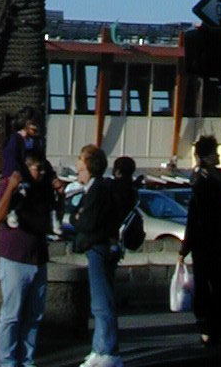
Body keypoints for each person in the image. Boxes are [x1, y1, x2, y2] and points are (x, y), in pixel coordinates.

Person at [0, 147, 53, 367]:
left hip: (38, 258)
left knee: (34, 316)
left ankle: (27, 360)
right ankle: (7, 361)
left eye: (43, 169)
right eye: (38, 169)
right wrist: (10, 189)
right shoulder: (7, 187)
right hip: (14, 260)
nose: (41, 173)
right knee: (11, 315)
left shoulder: (42, 190)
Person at [179, 134, 221, 347]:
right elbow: (195, 215)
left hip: (219, 241)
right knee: (210, 287)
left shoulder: (217, 177)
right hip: (208, 241)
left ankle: (219, 329)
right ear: (204, 157)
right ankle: (210, 329)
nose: (218, 156)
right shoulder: (202, 179)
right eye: (214, 153)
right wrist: (187, 245)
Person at [70, 144, 123, 367]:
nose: (78, 173)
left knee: (102, 302)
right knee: (101, 301)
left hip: (97, 248)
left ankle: (106, 350)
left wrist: (78, 218)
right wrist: (78, 217)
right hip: (100, 247)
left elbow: (85, 221)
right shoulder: (96, 188)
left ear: (90, 167)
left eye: (80, 169)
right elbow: (79, 217)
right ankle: (100, 347)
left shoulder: (97, 190)